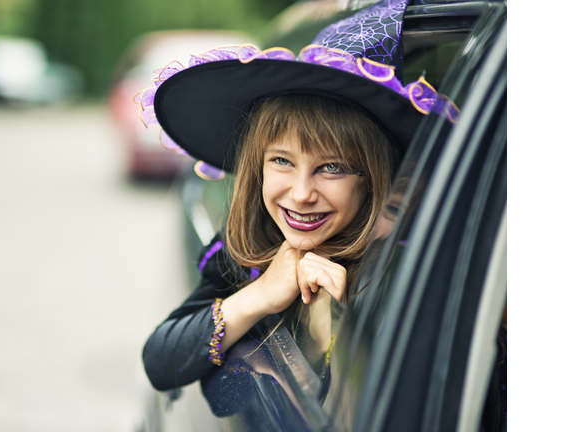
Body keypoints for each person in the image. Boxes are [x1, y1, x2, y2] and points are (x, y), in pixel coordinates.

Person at [136, 0, 458, 396]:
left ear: (374, 180)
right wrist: (261, 295)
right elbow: (161, 360)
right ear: (258, 165)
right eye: (282, 161)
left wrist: (343, 324)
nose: (302, 194)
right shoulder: (249, 246)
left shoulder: (409, 263)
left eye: (333, 167)